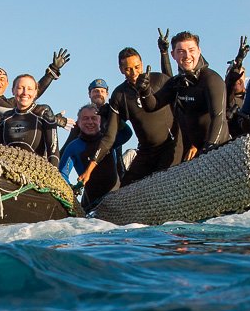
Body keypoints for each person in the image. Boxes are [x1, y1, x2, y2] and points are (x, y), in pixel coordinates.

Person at [76, 28, 177, 187]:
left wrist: (164, 54)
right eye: (128, 69)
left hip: (171, 145)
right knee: (125, 191)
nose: (134, 73)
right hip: (146, 151)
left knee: (163, 185)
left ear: (142, 64)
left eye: (137, 67)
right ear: (121, 69)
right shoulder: (119, 95)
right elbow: (109, 137)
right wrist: (90, 169)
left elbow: (174, 87)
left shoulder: (158, 80)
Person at [137, 31, 228, 160]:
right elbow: (152, 106)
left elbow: (219, 118)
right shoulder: (177, 83)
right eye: (181, 51)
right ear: (173, 55)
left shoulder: (211, 80)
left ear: (198, 51)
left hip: (217, 149)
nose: (187, 55)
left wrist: (209, 150)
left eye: (191, 50)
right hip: (195, 153)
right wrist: (144, 90)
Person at [60, 105, 120, 211]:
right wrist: (70, 187)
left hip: (116, 198)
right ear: (78, 123)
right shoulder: (73, 147)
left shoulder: (109, 140)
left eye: (93, 118)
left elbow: (127, 134)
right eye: (85, 118)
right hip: (91, 204)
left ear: (100, 121)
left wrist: (112, 115)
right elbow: (62, 173)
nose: (90, 122)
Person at [0, 74, 60, 167]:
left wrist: (54, 174)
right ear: (13, 91)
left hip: (35, 172)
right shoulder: (6, 117)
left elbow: (53, 149)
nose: (25, 93)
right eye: (20, 88)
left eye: (30, 89)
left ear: (35, 92)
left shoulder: (43, 112)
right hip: (8, 171)